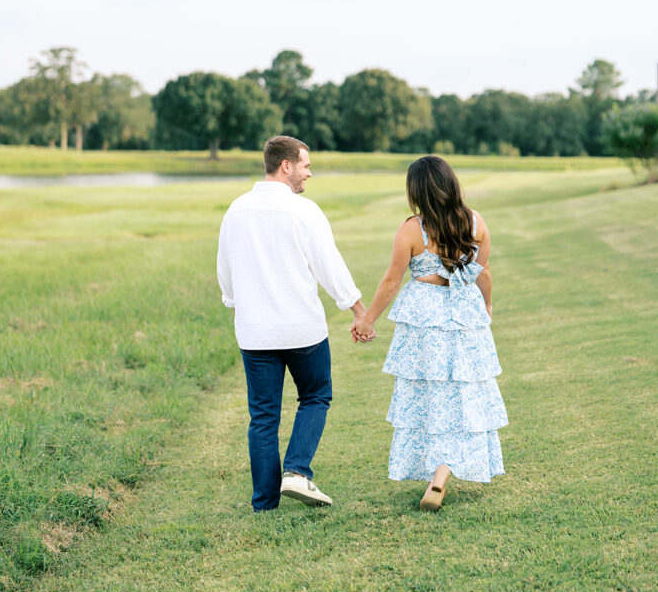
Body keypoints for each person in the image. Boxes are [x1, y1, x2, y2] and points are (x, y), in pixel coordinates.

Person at [217, 135, 369, 512]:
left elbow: (226, 267)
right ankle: (297, 472)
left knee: (263, 416)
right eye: (305, 165)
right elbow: (328, 266)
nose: (309, 173)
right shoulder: (304, 211)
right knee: (316, 395)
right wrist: (357, 309)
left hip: (255, 333)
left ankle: (264, 503)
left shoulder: (235, 209)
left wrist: (236, 304)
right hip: (302, 329)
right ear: (286, 166)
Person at [351, 155, 507, 511]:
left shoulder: (412, 229)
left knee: (429, 393)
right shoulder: (476, 222)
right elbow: (482, 271)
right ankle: (442, 474)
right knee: (462, 394)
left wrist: (368, 319)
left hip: (425, 315)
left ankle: (435, 474)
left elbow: (392, 280)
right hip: (464, 313)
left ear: (416, 190)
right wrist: (487, 306)